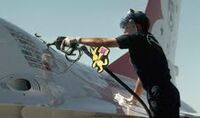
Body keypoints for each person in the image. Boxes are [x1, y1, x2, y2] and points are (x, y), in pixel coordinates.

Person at [56, 9, 180, 118]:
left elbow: (104, 42)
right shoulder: (150, 40)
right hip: (168, 93)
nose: (124, 30)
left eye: (127, 26)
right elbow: (144, 74)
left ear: (136, 26)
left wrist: (77, 40)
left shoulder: (137, 39)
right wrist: (134, 98)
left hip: (160, 94)